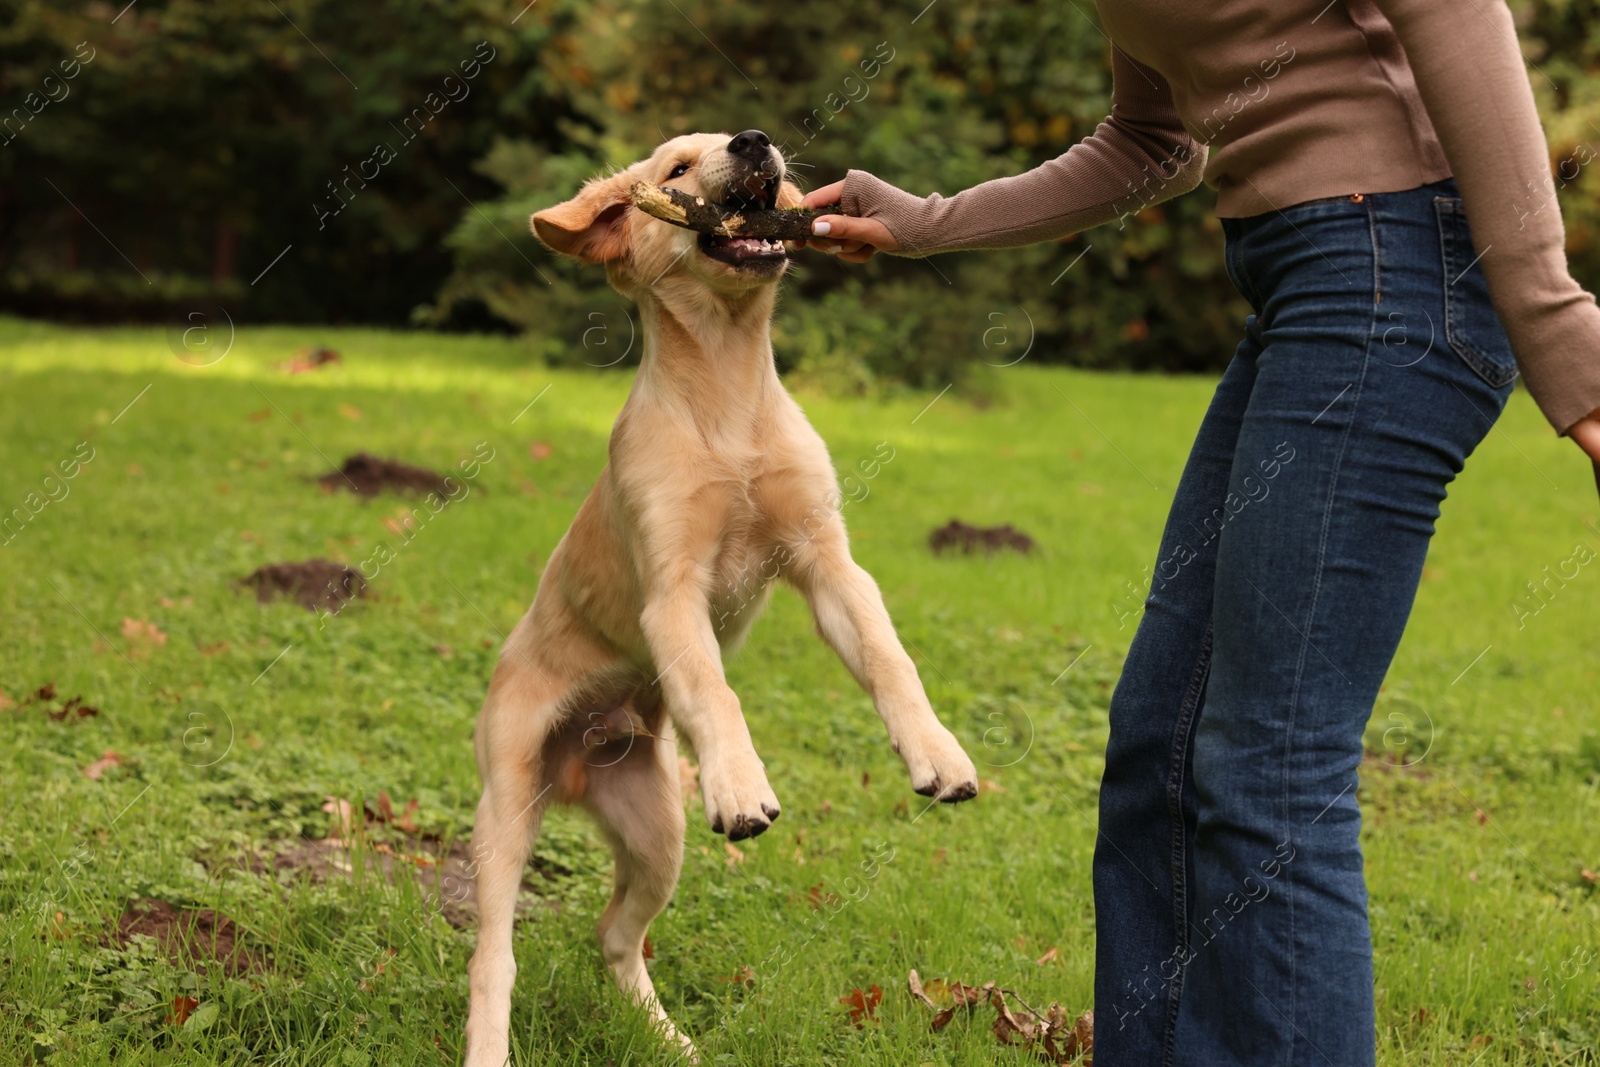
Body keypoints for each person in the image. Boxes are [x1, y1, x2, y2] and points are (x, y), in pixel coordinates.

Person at [801, 2, 1600, 1064]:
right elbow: (1152, 142)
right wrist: (930, 222)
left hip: (1396, 268)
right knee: (1161, 743)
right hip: (1308, 275)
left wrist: (1559, 329)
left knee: (1269, 765)